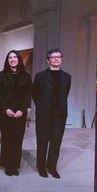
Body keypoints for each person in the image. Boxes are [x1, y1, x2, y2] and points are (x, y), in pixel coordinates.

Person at [31, 47, 71, 178]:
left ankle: (52, 167)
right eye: (53, 57)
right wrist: (42, 106)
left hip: (59, 115)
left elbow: (65, 94)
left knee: (56, 141)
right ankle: (41, 167)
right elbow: (35, 93)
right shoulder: (40, 76)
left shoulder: (67, 77)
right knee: (42, 141)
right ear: (48, 60)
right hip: (44, 114)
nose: (56, 59)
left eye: (59, 57)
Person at [0, 50, 31, 176]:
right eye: (10, 57)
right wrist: (6, 109)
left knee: (17, 139)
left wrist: (22, 110)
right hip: (6, 113)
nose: (12, 59)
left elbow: (28, 95)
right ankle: (7, 165)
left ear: (19, 59)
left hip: (20, 113)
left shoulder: (26, 76)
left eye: (15, 57)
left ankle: (15, 165)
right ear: (7, 60)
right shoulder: (2, 75)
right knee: (7, 138)